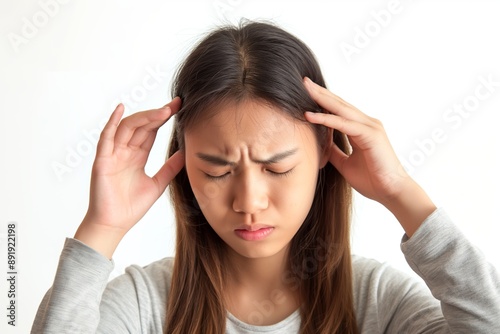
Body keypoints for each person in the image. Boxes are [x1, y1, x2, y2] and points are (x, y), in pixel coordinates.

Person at [31, 21, 500, 334]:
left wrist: (403, 194)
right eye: (217, 169)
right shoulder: (144, 306)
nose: (249, 201)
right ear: (181, 163)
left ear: (323, 152)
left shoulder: (379, 303)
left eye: (277, 167)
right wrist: (102, 229)